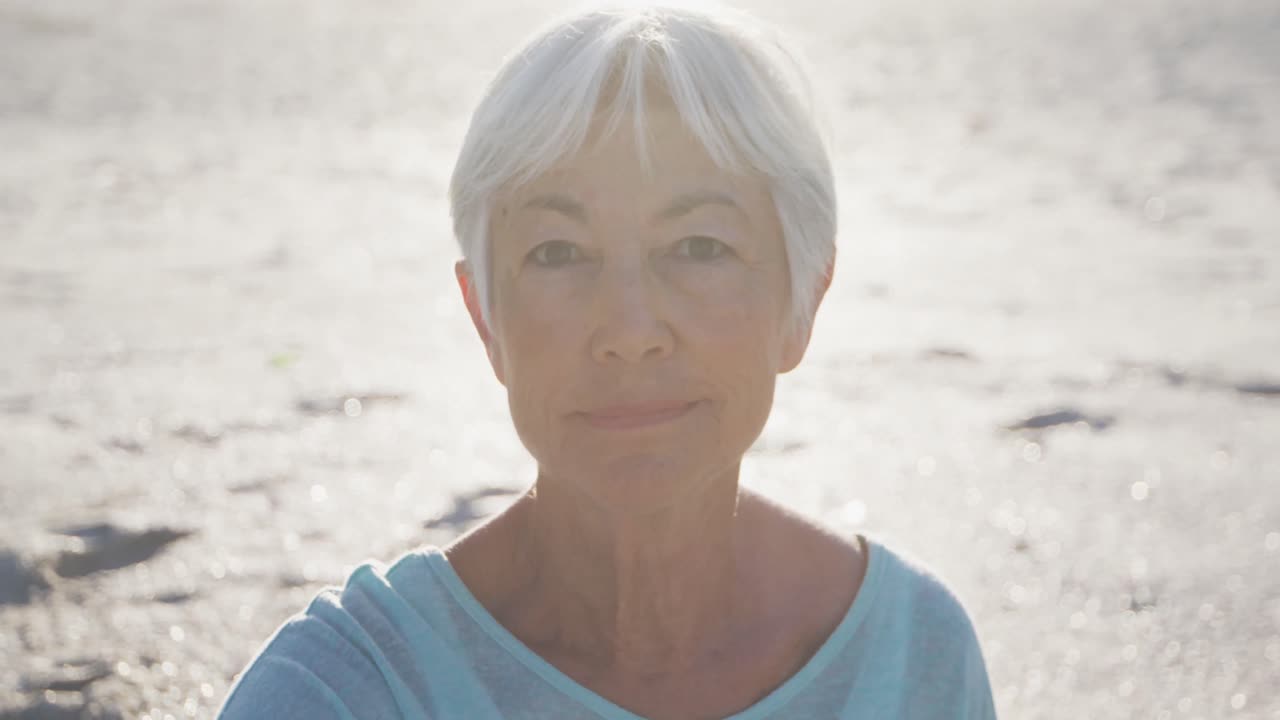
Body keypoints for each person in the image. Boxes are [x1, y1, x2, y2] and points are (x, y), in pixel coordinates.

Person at [218, 3, 997, 718]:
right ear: (485, 314)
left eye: (700, 247)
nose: (629, 329)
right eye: (558, 253)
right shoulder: (344, 693)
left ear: (804, 300)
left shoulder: (913, 659)